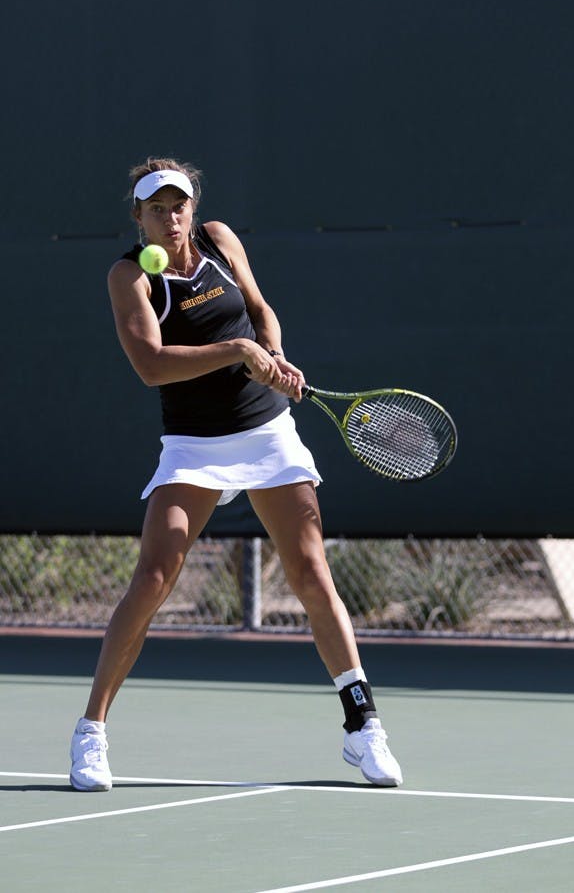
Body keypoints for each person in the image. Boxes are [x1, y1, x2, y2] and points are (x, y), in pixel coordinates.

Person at [69, 157, 402, 791]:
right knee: (154, 577)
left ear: (193, 208)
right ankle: (91, 732)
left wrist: (272, 353)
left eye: (179, 205)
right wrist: (239, 350)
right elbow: (151, 365)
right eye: (158, 209)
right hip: (193, 447)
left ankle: (363, 727)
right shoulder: (129, 277)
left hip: (267, 432)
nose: (171, 218)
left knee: (311, 572)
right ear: (138, 216)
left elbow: (259, 308)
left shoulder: (220, 241)